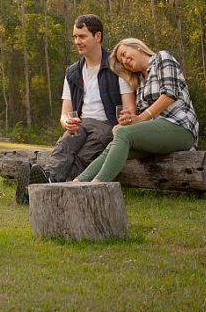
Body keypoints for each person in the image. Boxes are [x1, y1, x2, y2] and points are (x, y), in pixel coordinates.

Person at [15, 14, 135, 204]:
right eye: (75, 37)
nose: (77, 41)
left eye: (82, 36)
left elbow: (129, 108)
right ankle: (47, 180)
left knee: (85, 153)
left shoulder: (117, 67)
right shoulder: (72, 72)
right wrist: (67, 122)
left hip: (107, 126)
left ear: (98, 37)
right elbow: (65, 113)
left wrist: (124, 124)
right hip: (81, 123)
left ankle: (38, 188)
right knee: (66, 144)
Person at [75, 38, 198, 182]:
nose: (124, 60)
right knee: (115, 144)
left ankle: (97, 185)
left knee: (123, 134)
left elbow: (169, 95)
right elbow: (145, 120)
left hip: (181, 127)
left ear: (137, 47)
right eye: (121, 61)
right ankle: (78, 183)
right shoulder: (139, 81)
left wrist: (139, 119)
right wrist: (128, 123)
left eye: (124, 53)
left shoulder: (162, 58)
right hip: (159, 133)